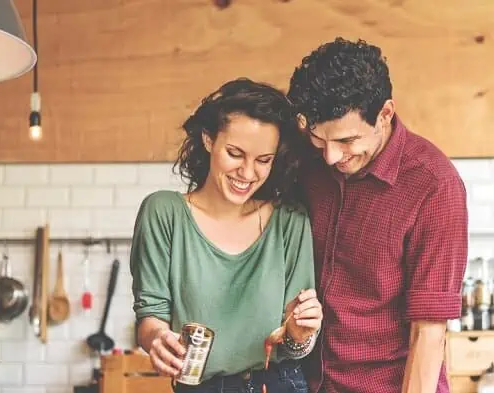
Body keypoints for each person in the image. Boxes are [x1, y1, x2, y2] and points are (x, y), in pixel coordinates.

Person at [286, 37, 468, 393]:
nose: (331, 158)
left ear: (385, 113)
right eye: (320, 140)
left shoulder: (434, 185)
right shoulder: (309, 163)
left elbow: (428, 332)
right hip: (310, 384)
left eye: (347, 141)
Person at [129, 77, 324, 393]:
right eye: (235, 153)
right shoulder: (163, 212)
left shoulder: (290, 220)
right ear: (208, 139)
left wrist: (301, 334)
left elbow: (294, 346)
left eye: (263, 160)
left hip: (278, 383)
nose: (247, 174)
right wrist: (157, 339)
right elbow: (151, 315)